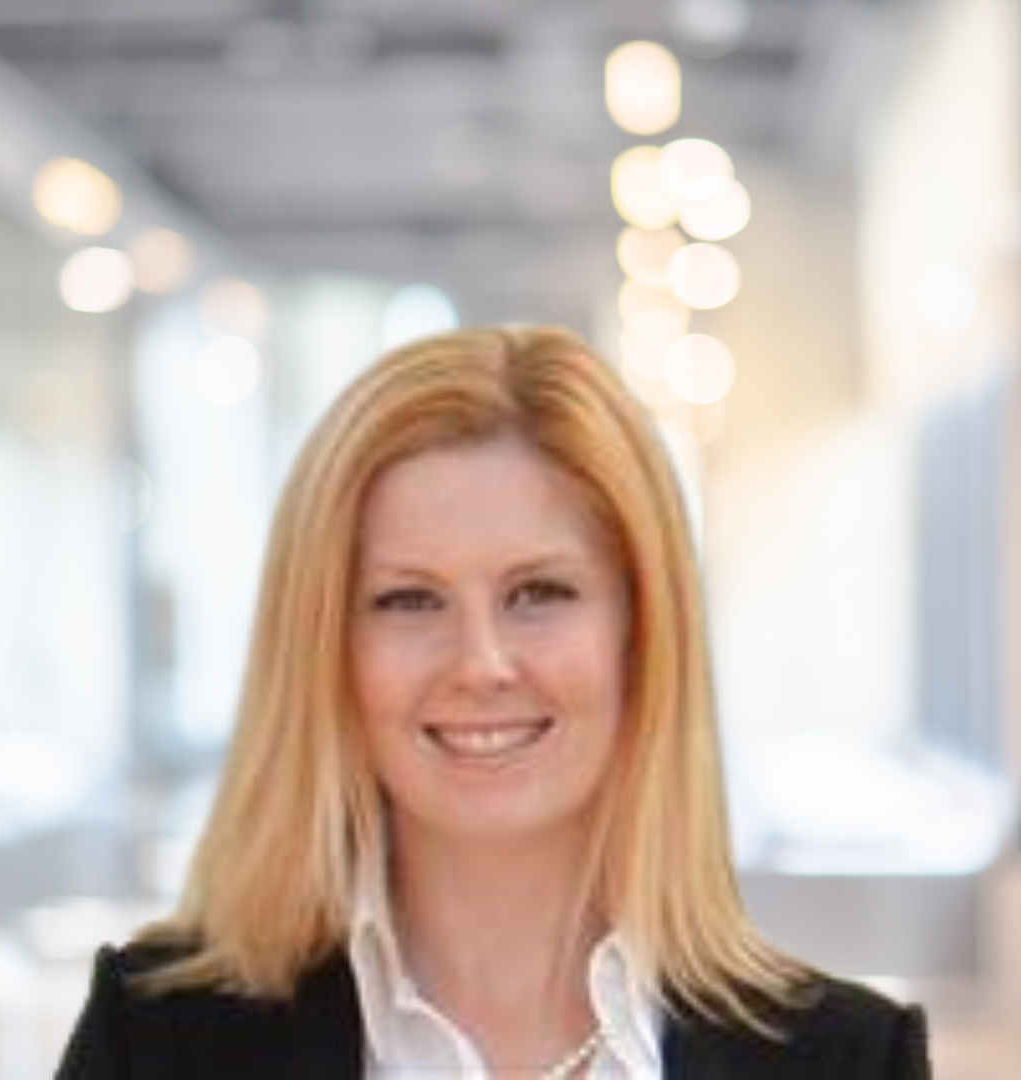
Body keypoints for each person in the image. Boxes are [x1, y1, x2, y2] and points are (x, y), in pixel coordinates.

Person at [57, 326, 931, 1078]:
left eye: (540, 593)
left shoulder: (848, 1060)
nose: (481, 664)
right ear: (326, 651)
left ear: (642, 633)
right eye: (408, 600)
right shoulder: (157, 1044)